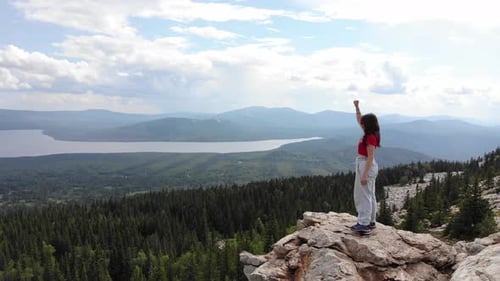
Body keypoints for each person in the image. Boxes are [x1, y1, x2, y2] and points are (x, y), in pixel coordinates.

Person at [351, 100, 381, 234]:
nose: (361, 123)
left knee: (363, 194)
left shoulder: (370, 138)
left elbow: (370, 157)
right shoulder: (369, 134)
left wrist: (364, 174)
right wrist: (357, 108)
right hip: (364, 164)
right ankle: (371, 221)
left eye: (363, 122)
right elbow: (359, 119)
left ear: (367, 125)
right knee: (370, 194)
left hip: (366, 165)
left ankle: (364, 223)